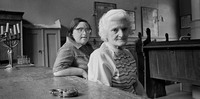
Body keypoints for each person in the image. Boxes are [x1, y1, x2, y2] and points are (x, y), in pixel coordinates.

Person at [88, 9, 147, 97]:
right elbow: (103, 95)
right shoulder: (100, 56)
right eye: (115, 30)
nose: (121, 34)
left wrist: (144, 96)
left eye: (124, 29)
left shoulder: (127, 53)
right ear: (105, 33)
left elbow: (135, 83)